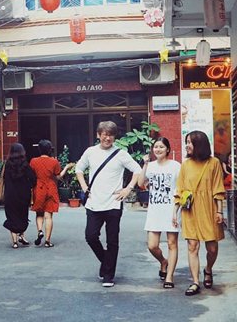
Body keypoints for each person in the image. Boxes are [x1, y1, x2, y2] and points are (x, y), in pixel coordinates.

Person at [75, 121, 141, 288]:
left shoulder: (121, 153)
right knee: (90, 236)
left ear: (114, 136)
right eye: (104, 134)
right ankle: (106, 262)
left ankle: (108, 275)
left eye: (110, 134)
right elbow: (79, 169)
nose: (107, 137)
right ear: (98, 135)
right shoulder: (90, 152)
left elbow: (137, 170)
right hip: (94, 203)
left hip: (113, 203)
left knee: (112, 241)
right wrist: (84, 187)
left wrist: (128, 188)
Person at [173, 131, 225, 296]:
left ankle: (208, 269)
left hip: (209, 209)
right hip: (190, 210)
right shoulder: (185, 165)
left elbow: (218, 188)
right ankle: (195, 281)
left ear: (200, 145)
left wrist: (219, 211)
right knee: (192, 246)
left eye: (190, 142)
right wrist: (174, 213)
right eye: (186, 142)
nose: (187, 145)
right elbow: (179, 190)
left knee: (212, 248)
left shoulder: (214, 163)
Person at [137, 137, 181, 289]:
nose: (158, 149)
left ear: (168, 149)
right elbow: (140, 183)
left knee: (172, 243)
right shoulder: (150, 166)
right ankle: (163, 261)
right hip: (155, 210)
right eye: (156, 147)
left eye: (161, 147)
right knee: (152, 245)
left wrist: (176, 210)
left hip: (171, 210)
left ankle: (169, 276)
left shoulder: (176, 166)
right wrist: (145, 164)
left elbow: (181, 189)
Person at [29, 139, 74, 248]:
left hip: (39, 188)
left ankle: (40, 231)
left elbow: (31, 175)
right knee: (48, 215)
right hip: (50, 188)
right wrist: (67, 167)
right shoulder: (54, 162)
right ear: (50, 150)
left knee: (39, 213)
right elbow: (58, 176)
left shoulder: (33, 161)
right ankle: (48, 241)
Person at [3, 143, 37, 248]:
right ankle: (22, 236)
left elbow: (4, 178)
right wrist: (29, 186)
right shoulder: (25, 164)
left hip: (10, 194)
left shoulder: (7, 164)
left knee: (12, 216)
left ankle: (14, 241)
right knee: (23, 215)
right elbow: (33, 178)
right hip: (23, 194)